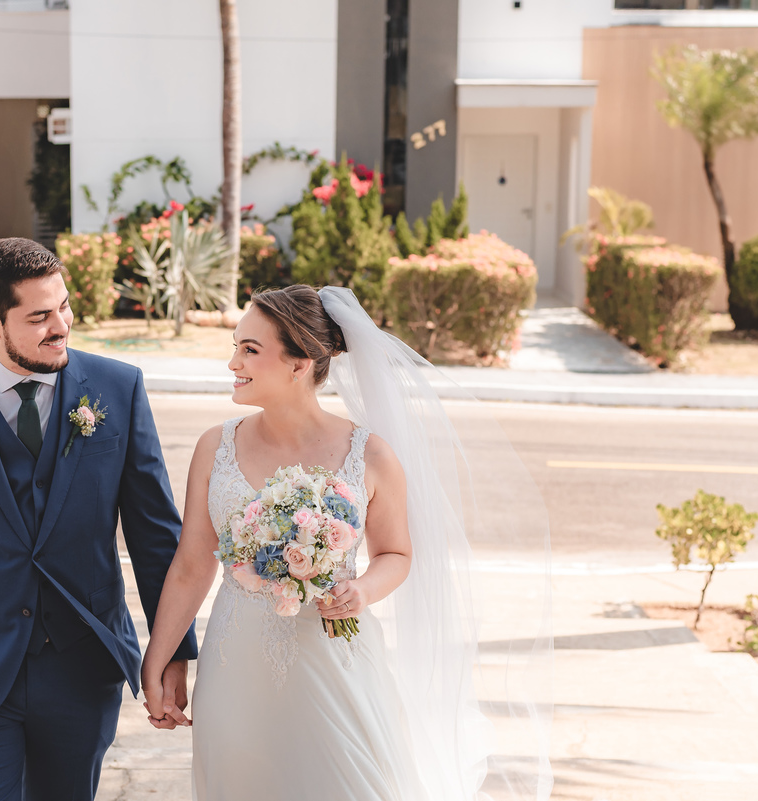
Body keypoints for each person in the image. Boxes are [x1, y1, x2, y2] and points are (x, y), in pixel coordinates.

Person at [140, 285, 548, 800]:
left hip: (333, 660)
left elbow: (396, 554)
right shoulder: (214, 446)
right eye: (236, 346)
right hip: (234, 666)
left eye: (250, 350)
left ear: (300, 363)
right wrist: (157, 659)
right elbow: (192, 564)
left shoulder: (371, 456)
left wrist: (364, 591)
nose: (232, 363)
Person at [0, 237, 197, 801]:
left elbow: (155, 536)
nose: (62, 327)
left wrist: (173, 649)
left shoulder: (118, 389)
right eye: (40, 317)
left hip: (81, 664)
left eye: (65, 306)